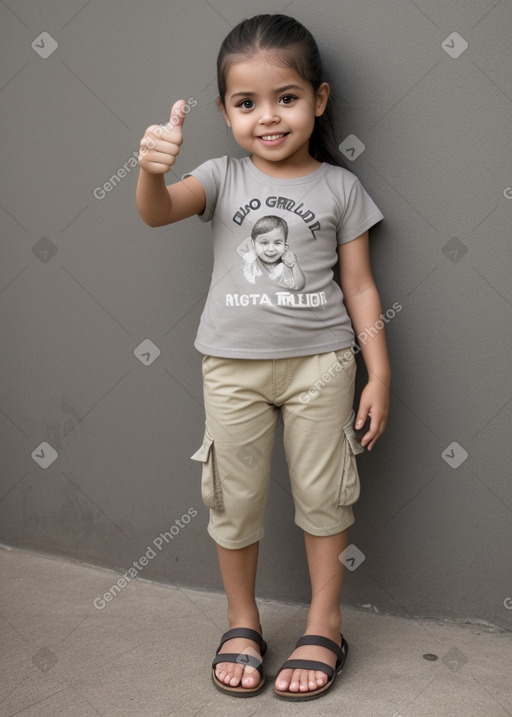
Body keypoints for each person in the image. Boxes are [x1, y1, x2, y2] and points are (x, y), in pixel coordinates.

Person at [136, 13, 390, 701]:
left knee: (324, 495)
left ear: (320, 99)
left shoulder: (340, 189)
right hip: (232, 368)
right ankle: (241, 620)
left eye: (287, 98)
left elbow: (361, 287)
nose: (268, 118)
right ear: (225, 110)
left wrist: (380, 371)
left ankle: (325, 622)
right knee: (234, 498)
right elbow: (157, 213)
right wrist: (151, 172)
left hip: (324, 366)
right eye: (247, 104)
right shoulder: (219, 177)